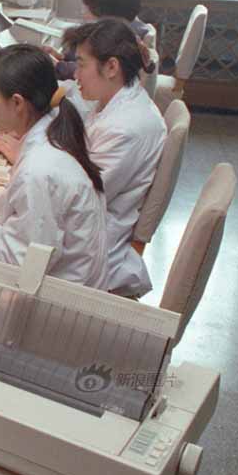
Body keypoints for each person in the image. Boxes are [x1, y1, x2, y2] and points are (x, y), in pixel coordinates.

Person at [0, 44, 109, 288]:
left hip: (55, 302)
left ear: (17, 102)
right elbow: (35, 215)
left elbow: (21, 260)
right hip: (62, 281)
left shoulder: (38, 169)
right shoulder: (52, 131)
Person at [70, 18, 165, 297]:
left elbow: (78, 198)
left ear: (111, 67)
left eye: (81, 65)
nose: (76, 75)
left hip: (88, 248)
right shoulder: (117, 104)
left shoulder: (125, 127)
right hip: (90, 225)